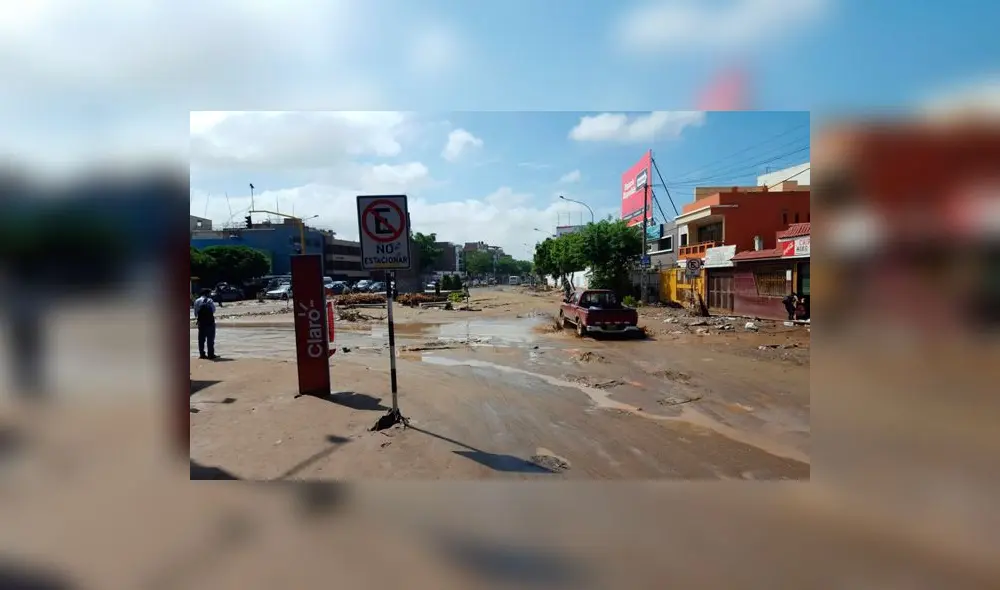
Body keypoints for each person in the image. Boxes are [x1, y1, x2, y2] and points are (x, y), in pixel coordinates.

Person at [193, 289, 217, 360]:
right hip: (210, 322)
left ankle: (202, 354)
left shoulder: (197, 301)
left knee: (201, 339)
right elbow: (214, 310)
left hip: (201, 323)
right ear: (207, 294)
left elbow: (195, 313)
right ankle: (211, 354)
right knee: (210, 339)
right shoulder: (210, 300)